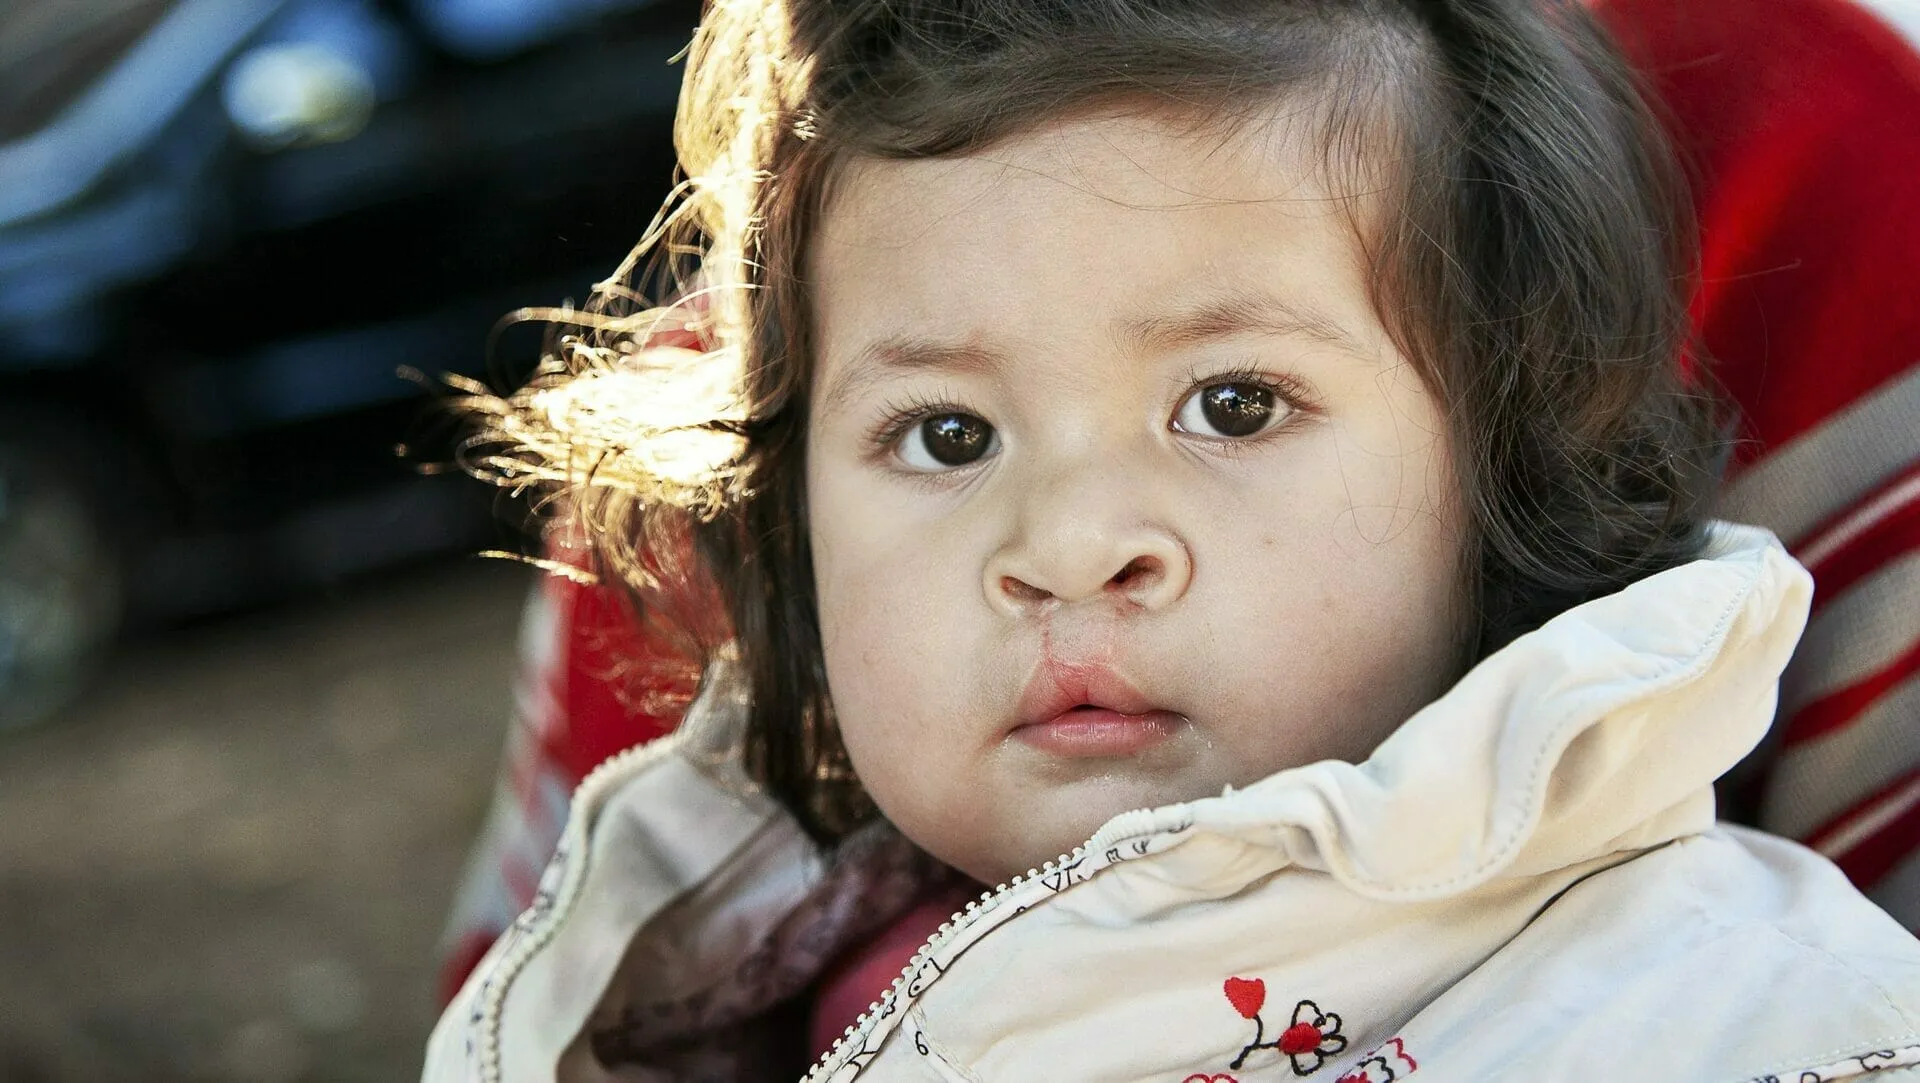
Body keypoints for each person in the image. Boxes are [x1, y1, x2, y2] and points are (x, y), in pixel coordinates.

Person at [424, 0, 1920, 1079]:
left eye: (1234, 403)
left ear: (1509, 473)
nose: (1069, 546)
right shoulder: (666, 983)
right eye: (948, 436)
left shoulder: (1734, 1011)